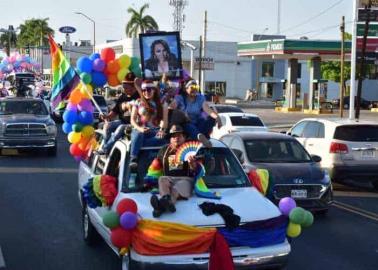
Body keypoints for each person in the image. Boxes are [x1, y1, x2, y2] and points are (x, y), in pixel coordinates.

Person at [149, 125, 210, 218]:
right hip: (169, 179)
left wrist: (193, 164)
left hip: (186, 180)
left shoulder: (193, 151)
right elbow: (156, 168)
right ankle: (166, 200)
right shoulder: (163, 151)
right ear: (170, 139)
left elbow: (199, 172)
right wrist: (148, 182)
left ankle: (159, 208)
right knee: (162, 179)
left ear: (184, 138)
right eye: (173, 136)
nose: (176, 138)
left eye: (179, 135)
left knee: (175, 189)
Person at [97, 72, 140, 155]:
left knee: (120, 128)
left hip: (134, 124)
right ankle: (107, 148)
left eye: (126, 87)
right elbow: (115, 111)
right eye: (123, 87)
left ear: (133, 87)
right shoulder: (122, 97)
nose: (124, 89)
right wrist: (107, 116)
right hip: (122, 121)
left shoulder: (138, 97)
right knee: (107, 125)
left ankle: (105, 149)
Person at [129, 79, 167, 167]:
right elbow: (132, 120)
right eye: (144, 90)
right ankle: (133, 157)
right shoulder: (138, 102)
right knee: (139, 135)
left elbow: (164, 121)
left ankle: (137, 145)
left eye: (149, 90)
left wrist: (162, 130)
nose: (146, 92)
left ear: (154, 90)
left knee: (161, 139)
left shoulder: (162, 103)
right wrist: (140, 129)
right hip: (139, 130)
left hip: (154, 132)